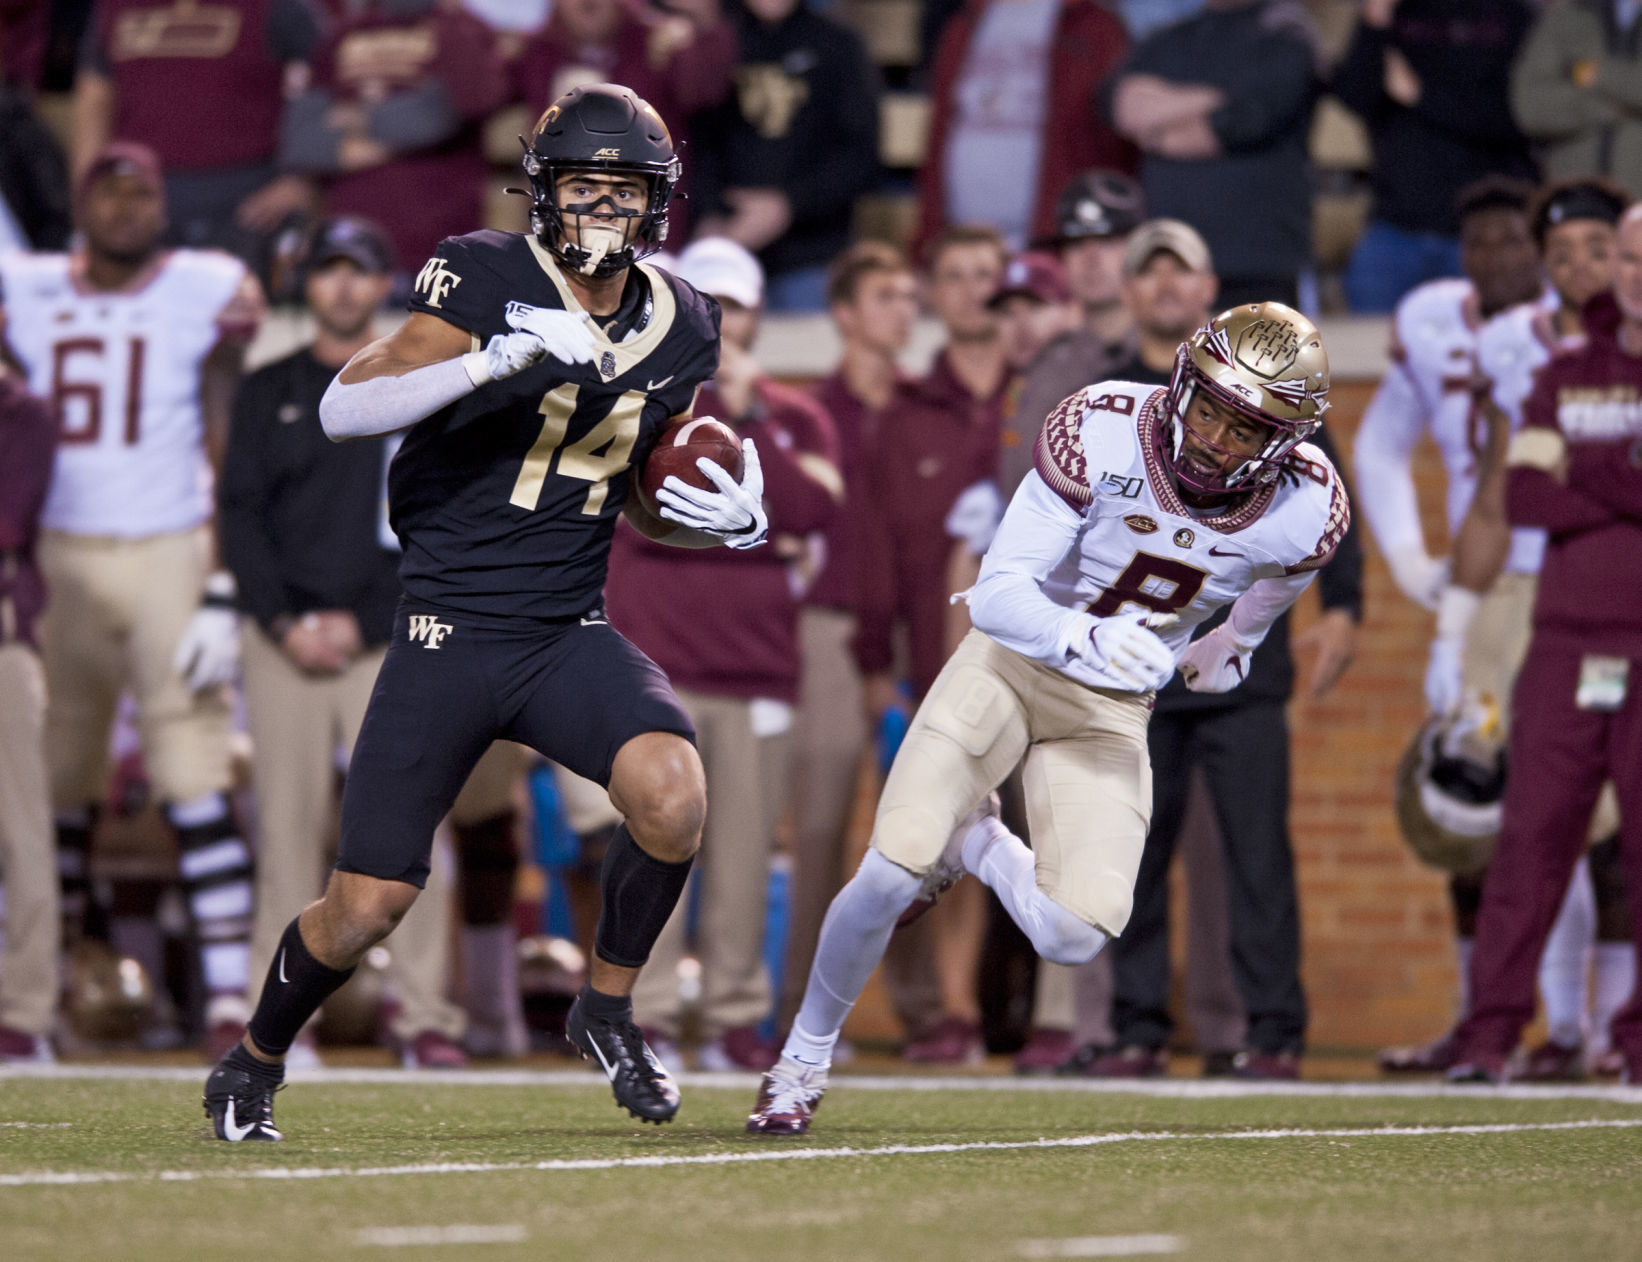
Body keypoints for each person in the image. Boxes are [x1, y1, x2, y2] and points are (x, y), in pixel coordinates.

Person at [201, 83, 758, 1141]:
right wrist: (484, 357)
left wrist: (711, 518)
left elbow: (642, 488)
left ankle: (603, 1008)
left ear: (658, 203)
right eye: (585, 189)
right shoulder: (486, 273)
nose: (604, 211)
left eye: (624, 191)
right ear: (544, 193)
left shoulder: (683, 319)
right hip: (443, 634)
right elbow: (342, 406)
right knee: (366, 903)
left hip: (562, 630)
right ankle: (254, 1055)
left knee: (674, 793)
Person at [748, 300, 1347, 1134]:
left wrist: (1235, 640)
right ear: (1182, 386)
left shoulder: (1306, 504)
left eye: (1242, 429)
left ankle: (982, 843)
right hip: (1012, 662)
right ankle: (801, 1059)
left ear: (1283, 445)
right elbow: (995, 597)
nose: (1213, 438)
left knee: (1074, 935)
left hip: (1107, 709)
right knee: (890, 868)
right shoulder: (1102, 426)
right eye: (1208, 409)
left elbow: (1287, 572)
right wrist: (1089, 633)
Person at [1075, 222, 1363, 1080]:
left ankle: (1272, 1030)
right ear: (1129, 292)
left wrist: (1345, 606)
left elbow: (1327, 510)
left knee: (1256, 854)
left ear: (1210, 293)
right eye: (1149, 273)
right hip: (1138, 663)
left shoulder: (1281, 397)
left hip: (1242, 665)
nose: (1165, 287)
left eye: (1183, 271)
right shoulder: (1114, 398)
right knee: (1134, 847)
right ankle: (1135, 1028)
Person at [0, 142, 266, 1056]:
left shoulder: (205, 283)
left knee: (193, 770)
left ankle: (232, 998)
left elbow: (227, 422)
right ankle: (52, 988)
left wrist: (224, 581)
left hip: (167, 543)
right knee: (51, 785)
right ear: (78, 205)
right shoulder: (26, 286)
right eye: (108, 195)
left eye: (141, 193)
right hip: (59, 553)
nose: (125, 210)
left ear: (162, 204)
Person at [216, 215, 470, 1069]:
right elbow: (241, 519)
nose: (342, 286)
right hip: (284, 641)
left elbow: (431, 523)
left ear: (382, 284)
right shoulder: (268, 386)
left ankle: (427, 1014)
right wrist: (287, 622)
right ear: (307, 282)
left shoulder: (422, 385)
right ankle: (279, 1020)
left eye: (357, 271)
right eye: (328, 270)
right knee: (282, 831)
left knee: (412, 832)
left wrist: (354, 624)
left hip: (388, 641)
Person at [1409, 178, 1632, 1081]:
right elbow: (1516, 492)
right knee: (1520, 828)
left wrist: (1586, 476)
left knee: (1624, 840)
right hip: (1539, 614)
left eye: (1604, 250)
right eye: (1565, 251)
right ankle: (1507, 1029)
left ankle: (1609, 1031)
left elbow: (1553, 487)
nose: (1585, 267)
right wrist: (1450, 627)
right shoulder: (1531, 357)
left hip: (1625, 616)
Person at [612, 236, 840, 1070]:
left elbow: (815, 509)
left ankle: (740, 1014)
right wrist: (752, 527)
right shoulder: (637, 401)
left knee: (746, 856)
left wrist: (752, 421)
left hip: (755, 668)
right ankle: (655, 1013)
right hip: (656, 663)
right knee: (655, 842)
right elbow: (663, 516)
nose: (724, 321)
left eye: (735, 305)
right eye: (709, 301)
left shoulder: (791, 411)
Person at [1350, 175, 1551, 1073]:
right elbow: (1381, 443)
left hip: (1574, 585)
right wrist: (1408, 559)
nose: (1499, 258)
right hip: (1482, 590)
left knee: (1588, 815)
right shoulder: (1434, 319)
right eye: (1482, 244)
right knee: (1466, 809)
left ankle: (1593, 1028)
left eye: (1516, 241)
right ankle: (1484, 1022)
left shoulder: (1574, 327)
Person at [780, 241, 927, 1042]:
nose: (904, 310)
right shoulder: (810, 412)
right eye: (885, 296)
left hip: (919, 636)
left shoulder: (926, 407)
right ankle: (795, 1016)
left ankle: (925, 1011)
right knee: (821, 827)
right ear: (843, 313)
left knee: (923, 835)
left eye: (910, 296)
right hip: (829, 634)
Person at [72, 0, 323, 271]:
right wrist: (86, 193)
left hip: (245, 201)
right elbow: (94, 100)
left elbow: (328, 81)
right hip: (138, 197)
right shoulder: (114, 7)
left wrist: (304, 180)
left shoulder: (277, 7)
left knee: (237, 308)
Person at [1104, 0, 1322, 308]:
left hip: (1259, 261)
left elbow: (1251, 118)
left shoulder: (1285, 32)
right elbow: (1122, 106)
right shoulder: (1169, 37)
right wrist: (1216, 100)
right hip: (1171, 262)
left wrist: (1159, 128)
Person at [1330, 0, 1536, 313]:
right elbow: (1354, 97)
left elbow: (1519, 116)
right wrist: (1374, 21)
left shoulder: (1509, 14)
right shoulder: (1395, 16)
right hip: (1396, 222)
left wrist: (1422, 96)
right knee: (1371, 349)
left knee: (1488, 349)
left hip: (1482, 231)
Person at [279, 0, 508, 279]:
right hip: (349, 250)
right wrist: (408, 132)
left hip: (442, 251)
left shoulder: (463, 28)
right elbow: (301, 142)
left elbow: (458, 109)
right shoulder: (341, 34)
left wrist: (356, 119)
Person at [690, 0, 880, 310]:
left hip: (812, 256)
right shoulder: (716, 42)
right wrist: (710, 215)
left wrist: (788, 205)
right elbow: (698, 141)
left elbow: (861, 157)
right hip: (724, 252)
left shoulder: (839, 45)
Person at [914, 0, 1134, 254]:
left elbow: (1114, 146)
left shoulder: (1095, 27)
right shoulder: (961, 23)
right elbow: (937, 138)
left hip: (1057, 246)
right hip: (961, 251)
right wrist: (927, 239)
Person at [0, 364, 59, 1062]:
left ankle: (24, 1005)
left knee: (22, 828)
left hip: (4, 637)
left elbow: (9, 523)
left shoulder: (24, 415)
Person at [1511, 0, 1642, 196]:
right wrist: (1619, 108)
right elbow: (1531, 106)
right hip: (1572, 194)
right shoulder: (1569, 12)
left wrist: (1595, 73)